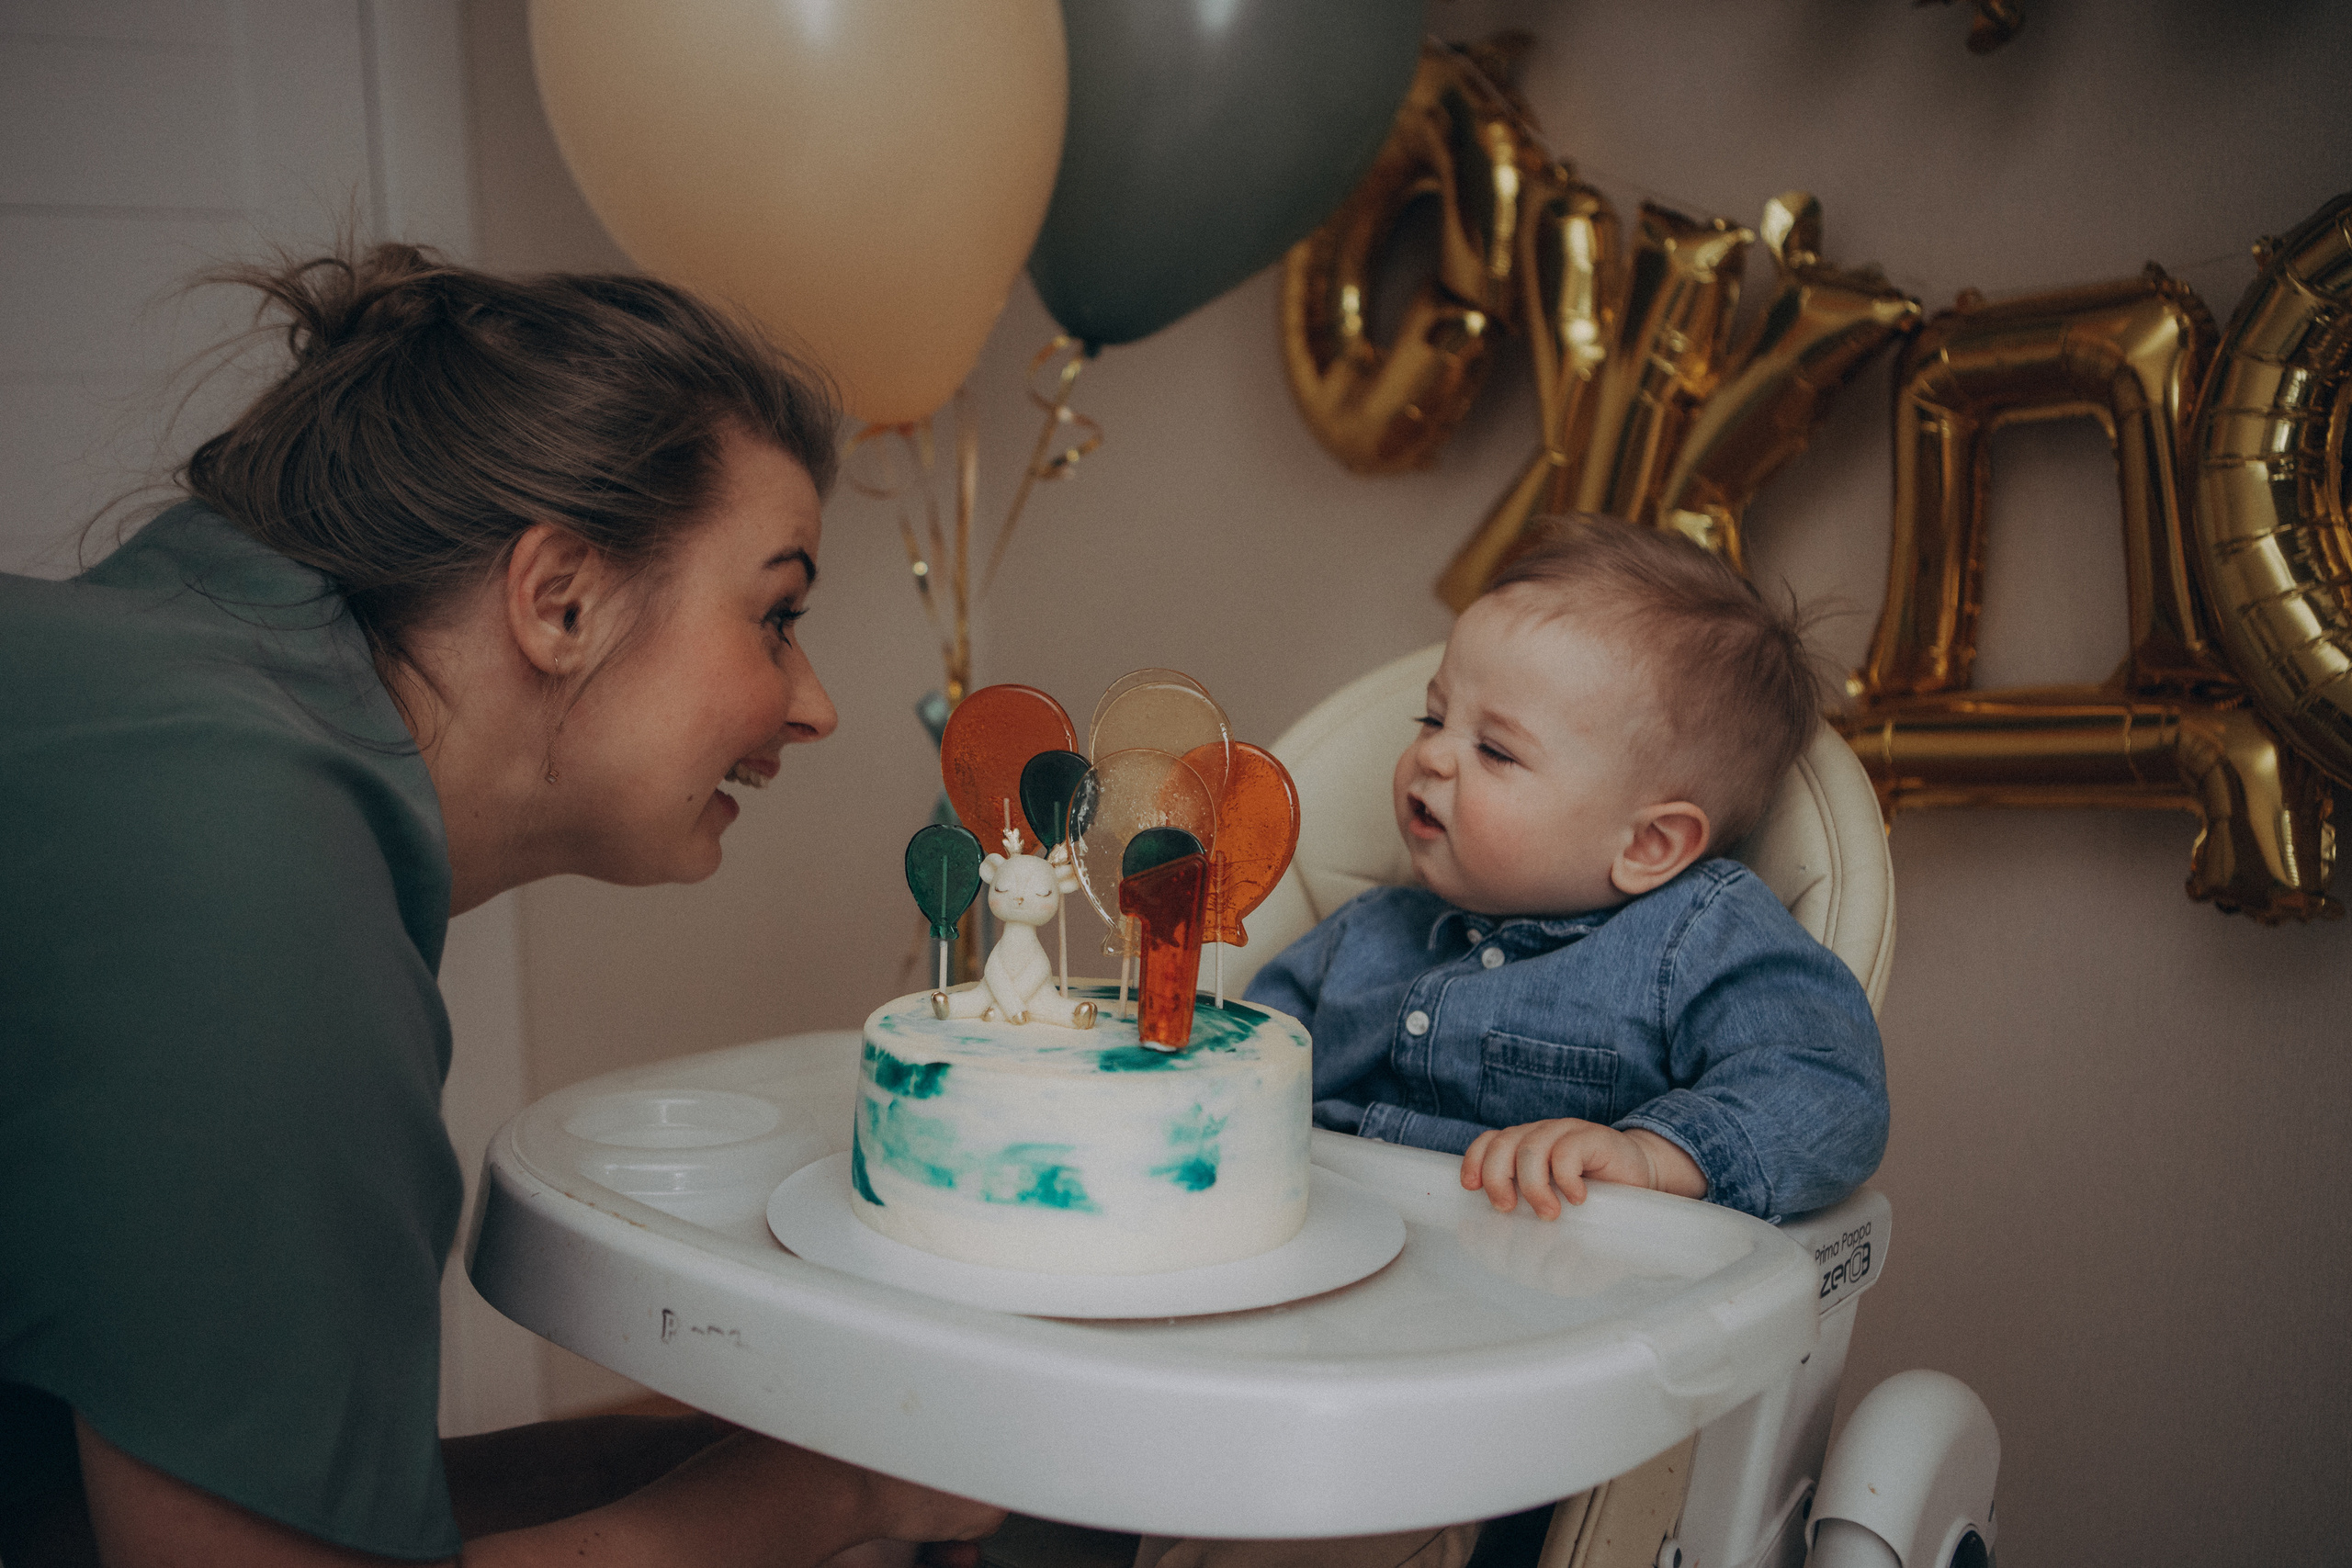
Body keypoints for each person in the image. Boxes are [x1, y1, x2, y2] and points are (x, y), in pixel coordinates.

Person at [0, 244, 1006, 1568]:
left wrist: (700, 1463)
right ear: (561, 598)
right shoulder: (248, 885)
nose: (812, 702)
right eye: (776, 613)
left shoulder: (177, 706)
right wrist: (840, 1501)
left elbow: (89, 1514)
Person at [1153, 515, 1890, 1568]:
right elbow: (1245, 1066)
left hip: (1506, 1392)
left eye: (1494, 750)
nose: (1432, 759)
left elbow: (1826, 1083)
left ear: (1650, 843)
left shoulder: (1693, 936)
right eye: (1433, 718)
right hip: (1300, 1323)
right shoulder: (1369, 933)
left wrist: (1653, 1155)